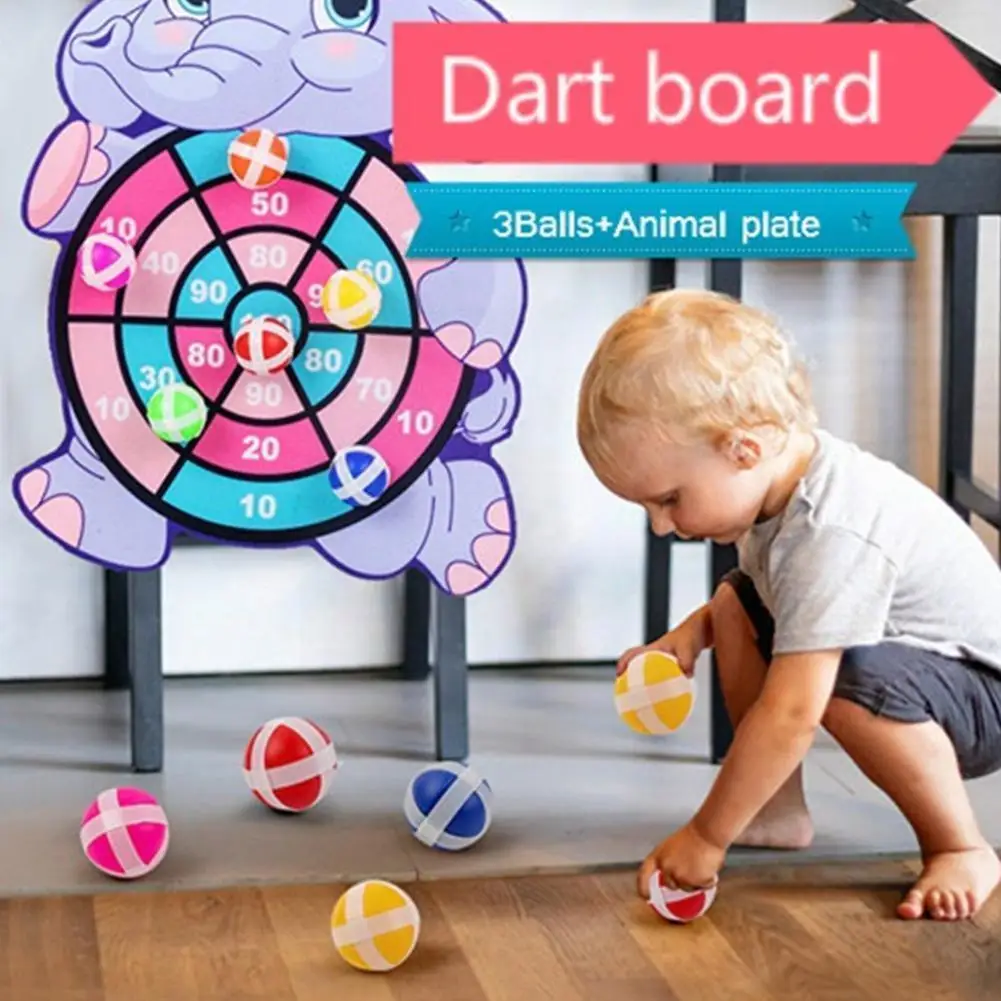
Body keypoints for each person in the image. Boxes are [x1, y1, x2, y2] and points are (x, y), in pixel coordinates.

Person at [576, 287, 1001, 921]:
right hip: (924, 671)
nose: (661, 526)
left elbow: (793, 712)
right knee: (732, 604)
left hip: (984, 697)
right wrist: (693, 632)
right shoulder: (778, 488)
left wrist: (707, 836)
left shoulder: (831, 528)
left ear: (742, 450)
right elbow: (766, 592)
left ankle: (961, 845)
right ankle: (776, 809)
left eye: (668, 499)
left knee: (838, 679)